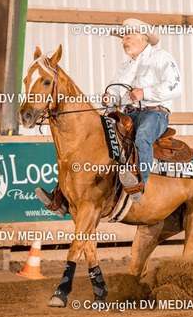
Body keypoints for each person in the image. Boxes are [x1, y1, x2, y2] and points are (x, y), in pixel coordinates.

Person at [36, 18, 182, 212]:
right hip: (127, 114)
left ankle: (138, 183)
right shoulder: (125, 67)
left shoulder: (161, 58)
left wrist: (145, 93)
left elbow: (175, 85)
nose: (123, 41)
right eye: (123, 38)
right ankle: (62, 193)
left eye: (127, 37)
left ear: (143, 38)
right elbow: (116, 91)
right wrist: (109, 97)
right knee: (95, 140)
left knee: (143, 137)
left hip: (154, 114)